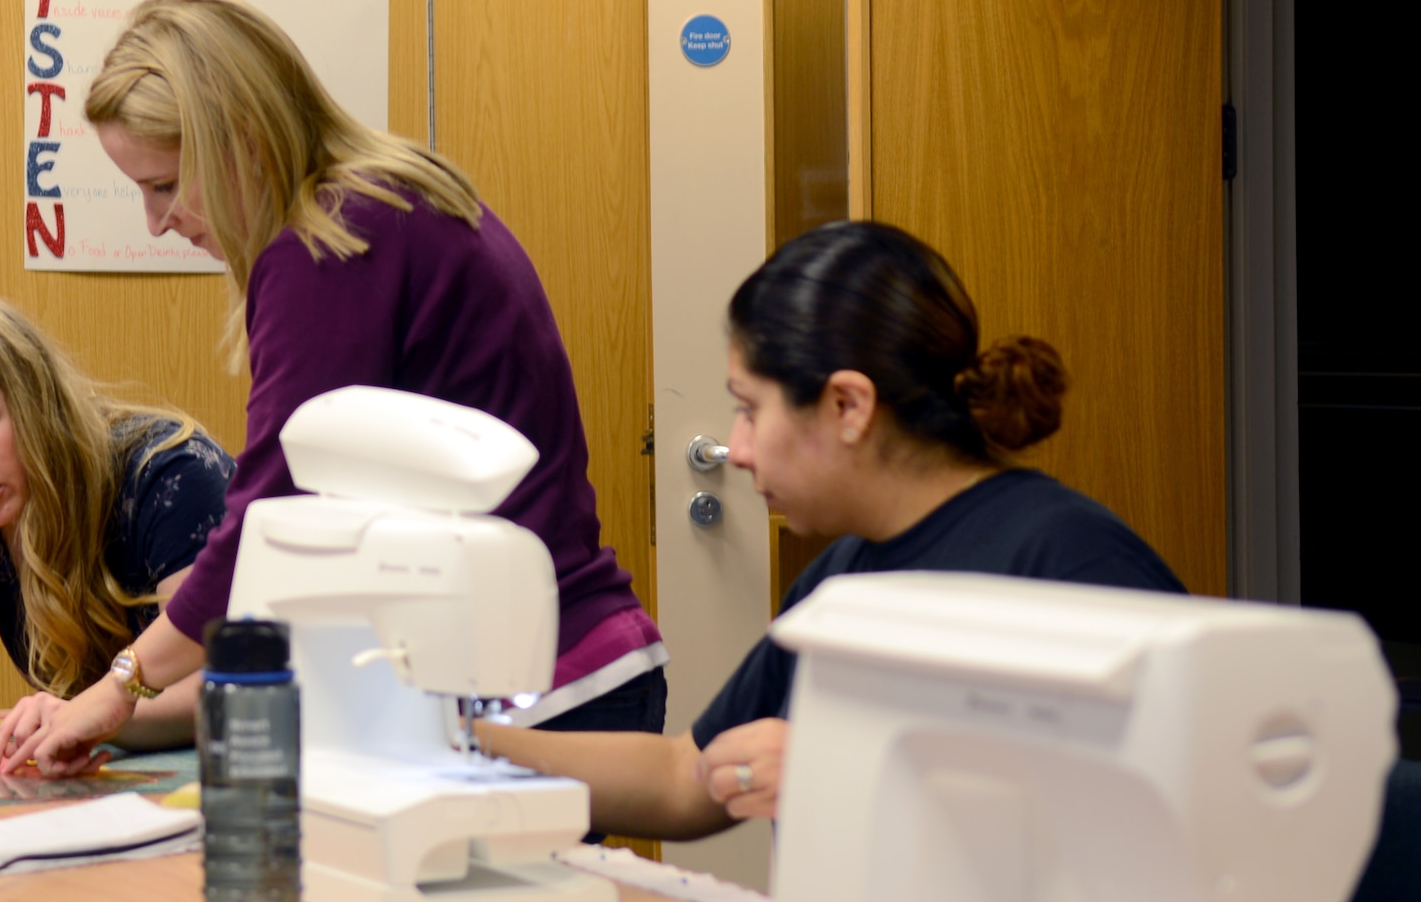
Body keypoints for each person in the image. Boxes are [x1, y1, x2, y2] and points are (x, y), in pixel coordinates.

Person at [6, 0, 666, 778]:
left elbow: (272, 511)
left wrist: (123, 683)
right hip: (550, 658)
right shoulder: (384, 200)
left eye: (164, 185)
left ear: (239, 140)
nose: (157, 221)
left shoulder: (325, 242)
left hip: (539, 685)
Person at [478, 221, 1186, 841]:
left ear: (848, 405)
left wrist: (848, 775)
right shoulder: (841, 578)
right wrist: (465, 747)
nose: (740, 447)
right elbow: (683, 780)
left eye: (751, 409)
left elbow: (1175, 811)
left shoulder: (1065, 560)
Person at [0, 293, 233, 779]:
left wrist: (98, 711)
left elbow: (227, 681)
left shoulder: (169, 473)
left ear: (35, 397)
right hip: (103, 782)